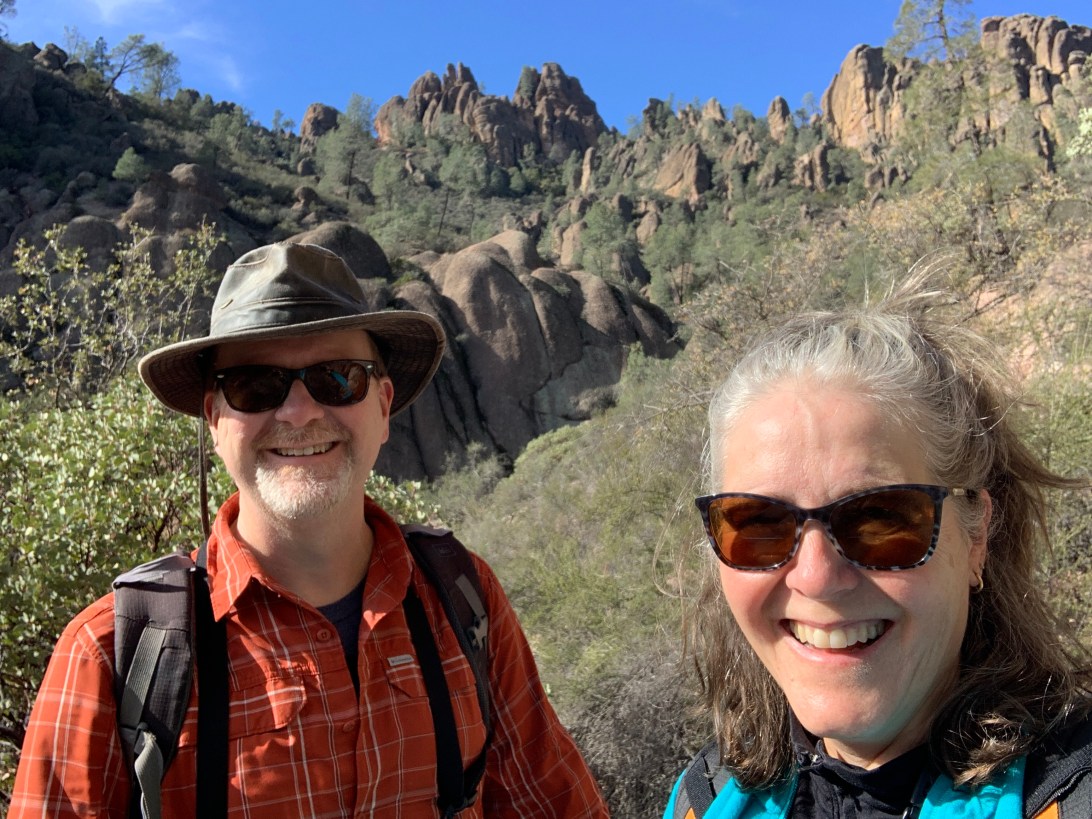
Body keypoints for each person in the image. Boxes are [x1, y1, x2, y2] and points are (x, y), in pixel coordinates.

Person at [10, 241, 609, 818]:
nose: (299, 412)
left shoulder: (461, 597)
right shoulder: (115, 653)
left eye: (337, 377)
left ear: (383, 405)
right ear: (216, 420)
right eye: (254, 386)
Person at [664, 275, 1092, 819]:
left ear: (977, 533)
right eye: (760, 524)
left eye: (880, 518)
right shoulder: (704, 796)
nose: (815, 576)